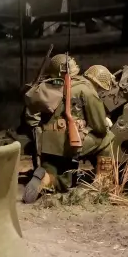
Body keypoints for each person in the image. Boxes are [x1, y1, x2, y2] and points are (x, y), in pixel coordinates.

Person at [22, 54, 115, 204]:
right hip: (68, 142)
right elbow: (99, 127)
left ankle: (43, 179)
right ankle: (103, 182)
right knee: (107, 138)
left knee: (64, 180)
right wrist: (105, 123)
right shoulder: (85, 90)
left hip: (47, 144)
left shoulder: (47, 87)